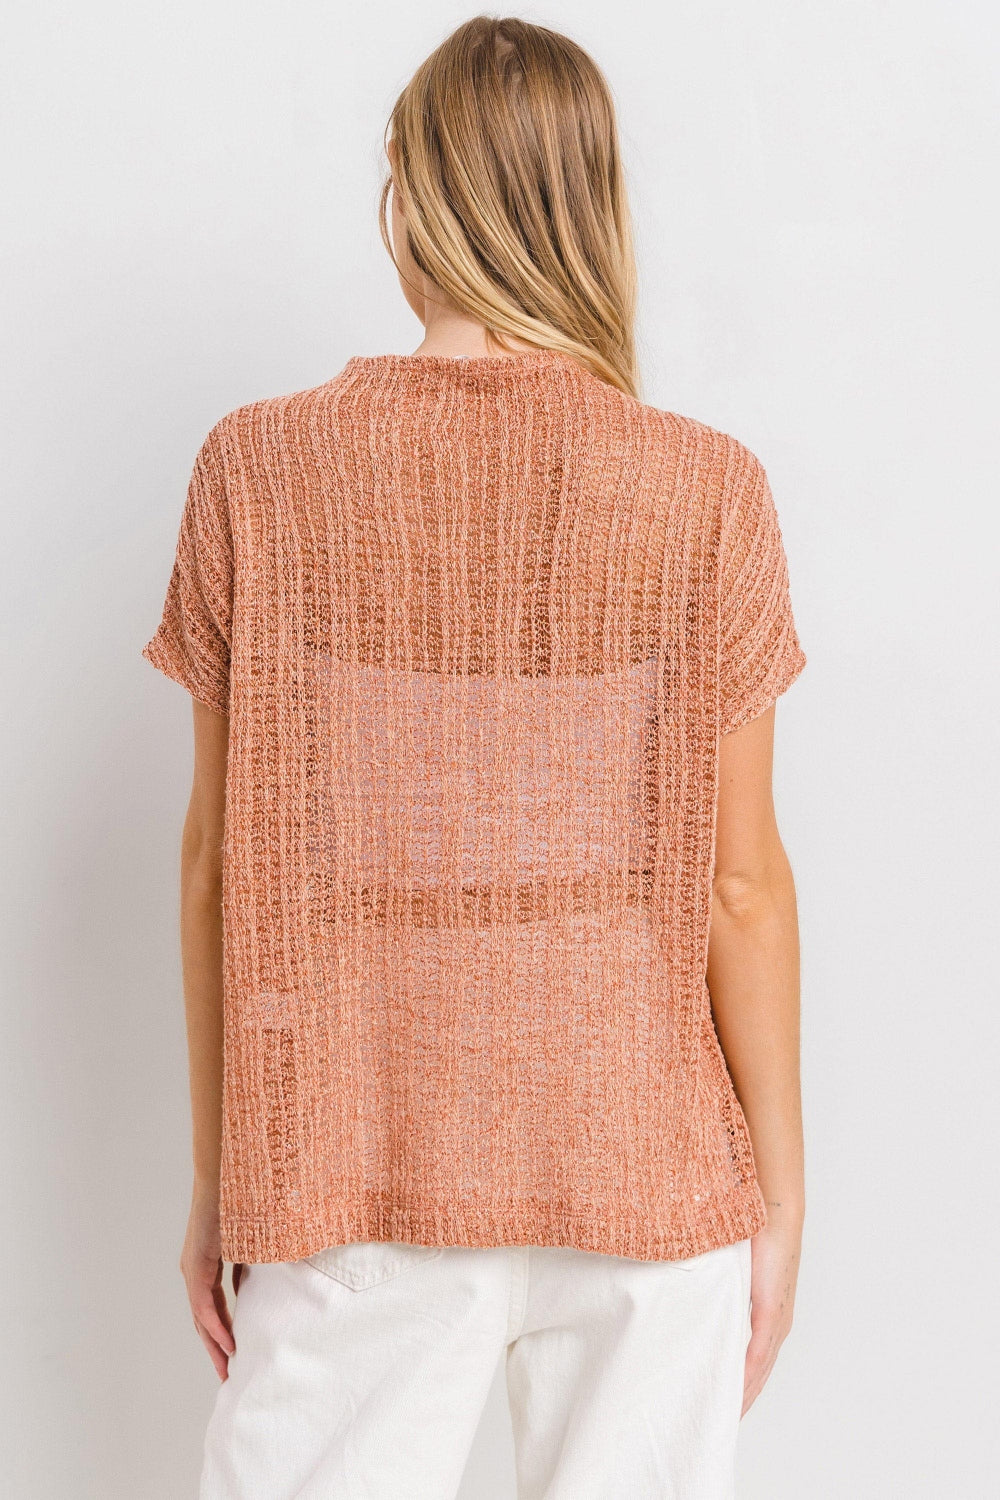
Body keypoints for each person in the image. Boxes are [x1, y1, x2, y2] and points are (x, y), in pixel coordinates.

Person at [141, 16, 807, 1500]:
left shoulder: (259, 469)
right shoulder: (708, 490)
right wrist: (779, 1195)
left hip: (348, 1173)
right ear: (592, 200)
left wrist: (223, 1176)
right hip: (646, 1176)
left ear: (407, 185)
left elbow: (218, 868)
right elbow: (741, 888)